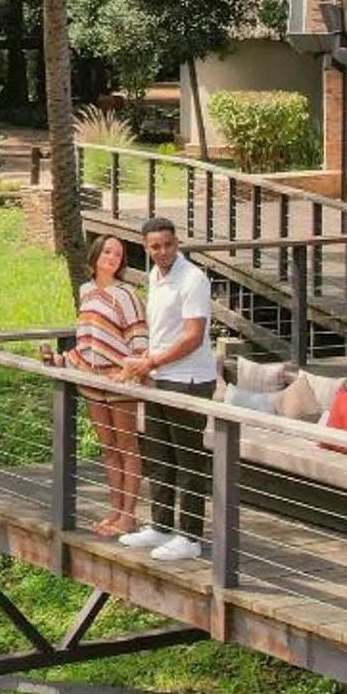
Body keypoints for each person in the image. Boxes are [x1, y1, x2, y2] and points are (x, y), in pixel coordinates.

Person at [116, 214, 216, 564]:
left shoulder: (193, 279)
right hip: (160, 375)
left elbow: (193, 336)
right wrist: (146, 359)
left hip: (188, 378)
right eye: (155, 247)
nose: (162, 252)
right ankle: (160, 526)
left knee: (188, 458)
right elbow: (164, 332)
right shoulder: (156, 278)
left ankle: (189, 537)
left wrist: (150, 362)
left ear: (178, 243)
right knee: (158, 454)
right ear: (146, 248)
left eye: (168, 245)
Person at [56, 233, 147, 536]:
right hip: (92, 379)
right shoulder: (86, 291)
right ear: (95, 256)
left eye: (118, 255)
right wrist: (65, 360)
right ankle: (114, 510)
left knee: (127, 446)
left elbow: (139, 338)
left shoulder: (127, 294)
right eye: (107, 252)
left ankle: (128, 515)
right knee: (108, 447)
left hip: (120, 379)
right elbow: (86, 337)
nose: (112, 258)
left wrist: (131, 372)